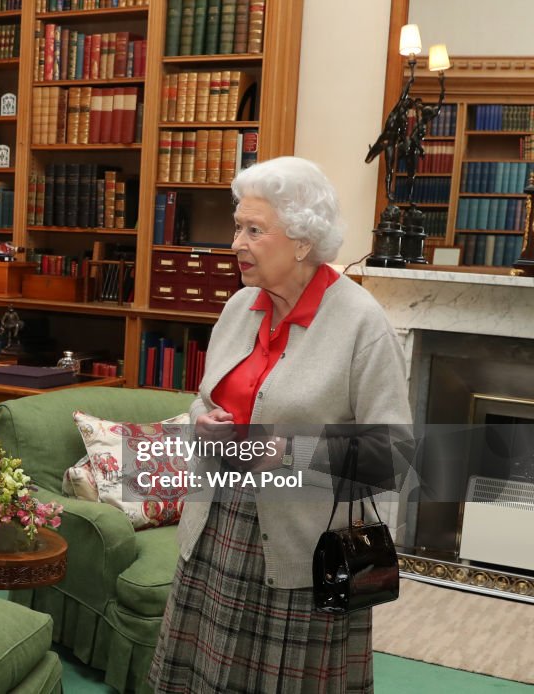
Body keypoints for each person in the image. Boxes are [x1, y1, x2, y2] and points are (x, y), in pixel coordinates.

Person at [149, 157, 411, 693]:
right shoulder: (240, 307)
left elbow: (393, 457)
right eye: (236, 227)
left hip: (301, 551)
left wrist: (286, 454)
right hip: (215, 530)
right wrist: (205, 422)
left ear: (301, 240)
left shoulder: (362, 325)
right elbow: (202, 399)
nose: (235, 243)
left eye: (253, 230)